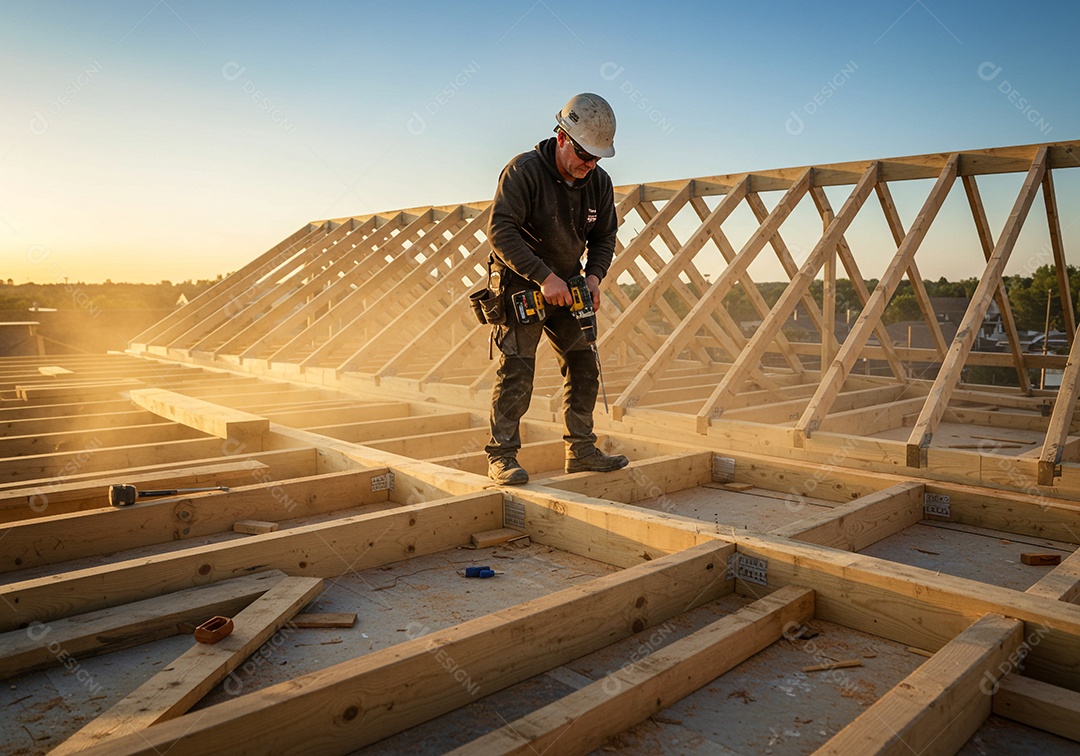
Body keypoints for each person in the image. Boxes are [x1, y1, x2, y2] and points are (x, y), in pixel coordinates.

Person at [485, 93, 629, 485]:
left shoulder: (598, 182)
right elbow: (501, 231)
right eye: (585, 156)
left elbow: (605, 237)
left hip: (571, 286)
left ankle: (581, 450)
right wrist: (543, 277)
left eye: (597, 159)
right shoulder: (523, 172)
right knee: (517, 369)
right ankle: (501, 457)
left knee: (584, 365)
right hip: (523, 285)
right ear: (563, 137)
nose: (589, 165)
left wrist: (595, 276)